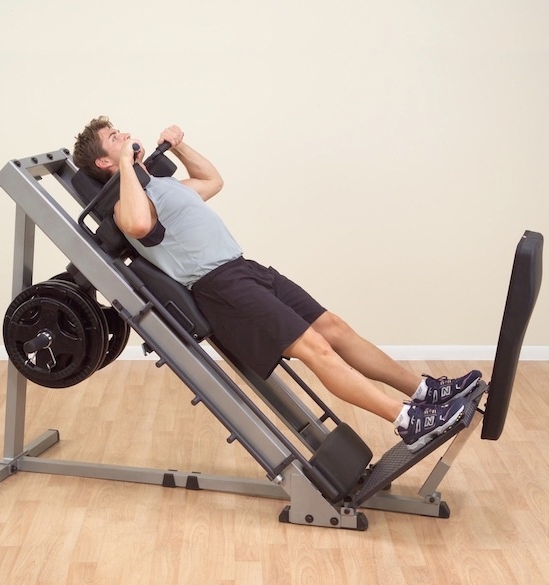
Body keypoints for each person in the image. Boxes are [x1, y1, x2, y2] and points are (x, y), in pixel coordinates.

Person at [73, 117, 481, 452]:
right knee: (317, 349)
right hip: (220, 288)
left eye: (120, 131)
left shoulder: (161, 186)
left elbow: (212, 180)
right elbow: (138, 225)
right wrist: (127, 165)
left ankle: (424, 391)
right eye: (114, 138)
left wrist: (179, 146)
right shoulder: (126, 207)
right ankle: (406, 419)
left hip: (245, 269)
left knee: (334, 328)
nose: (124, 135)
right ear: (105, 162)